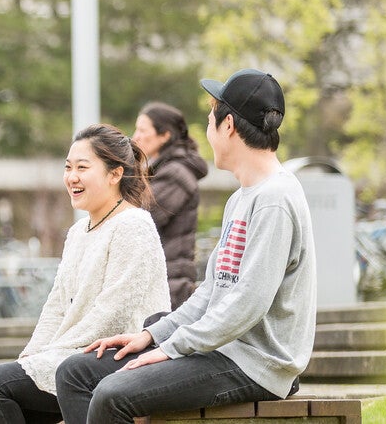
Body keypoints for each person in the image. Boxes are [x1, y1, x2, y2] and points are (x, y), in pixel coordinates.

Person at [54, 69, 315, 424]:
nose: (207, 133)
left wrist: (171, 349)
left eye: (210, 120)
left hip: (254, 364)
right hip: (220, 349)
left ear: (228, 127)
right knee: (74, 373)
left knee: (112, 395)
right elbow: (212, 292)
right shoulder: (241, 198)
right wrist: (151, 335)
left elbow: (248, 304)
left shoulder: (274, 199)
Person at [0, 124, 169, 424]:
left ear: (115, 174)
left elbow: (115, 311)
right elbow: (56, 305)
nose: (72, 177)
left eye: (82, 167)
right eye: (68, 167)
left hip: (119, 354)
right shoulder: (78, 231)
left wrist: (53, 351)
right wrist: (32, 354)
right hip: (75, 352)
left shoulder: (133, 224)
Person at [132, 102, 210, 309]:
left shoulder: (176, 174)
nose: (135, 137)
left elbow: (141, 218)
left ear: (165, 135)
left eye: (142, 130)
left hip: (169, 284)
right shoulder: (160, 169)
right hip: (162, 280)